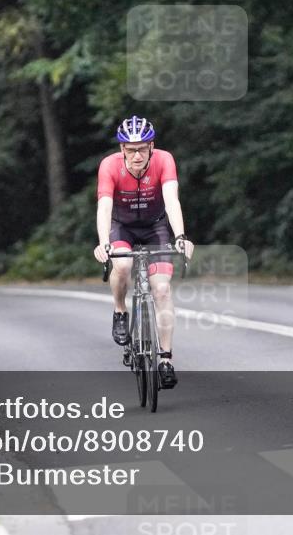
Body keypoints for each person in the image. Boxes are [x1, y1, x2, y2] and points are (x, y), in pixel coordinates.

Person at [93, 116, 194, 388]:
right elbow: (104, 207)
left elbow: (172, 200)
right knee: (123, 265)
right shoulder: (109, 166)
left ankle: (165, 359)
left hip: (155, 227)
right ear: (121, 149)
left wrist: (181, 237)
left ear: (152, 146)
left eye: (142, 148)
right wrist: (104, 242)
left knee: (161, 290)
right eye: (130, 149)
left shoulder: (164, 160)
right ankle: (119, 310)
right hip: (121, 227)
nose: (137, 155)